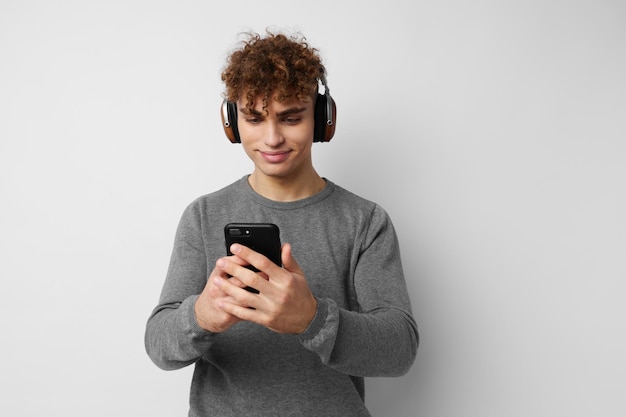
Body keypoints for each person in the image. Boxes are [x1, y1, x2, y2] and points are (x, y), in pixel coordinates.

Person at [145, 30, 418, 416]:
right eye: (254, 119)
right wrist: (202, 314)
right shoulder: (202, 216)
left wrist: (311, 318)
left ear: (323, 119)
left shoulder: (366, 221)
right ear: (232, 122)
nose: (272, 138)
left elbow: (400, 350)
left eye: (291, 118)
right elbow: (159, 345)